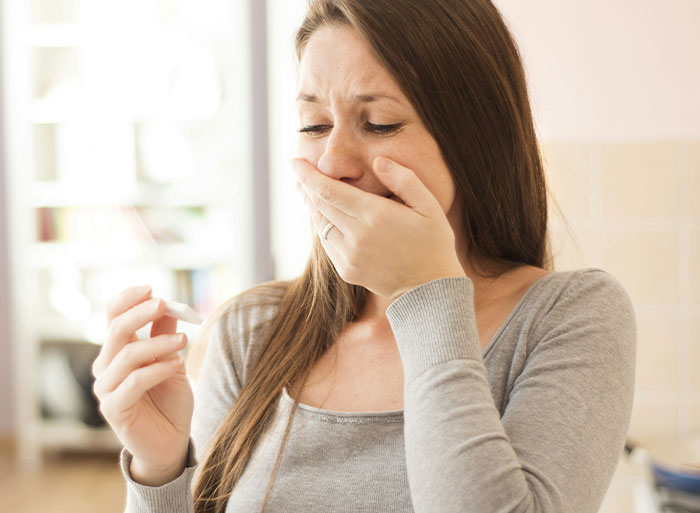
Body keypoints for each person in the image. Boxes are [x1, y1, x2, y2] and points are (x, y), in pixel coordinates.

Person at [92, 1, 637, 512]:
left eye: (379, 123)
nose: (332, 162)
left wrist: (423, 295)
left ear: (476, 136)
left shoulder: (573, 316)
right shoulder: (251, 329)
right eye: (315, 125)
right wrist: (161, 469)